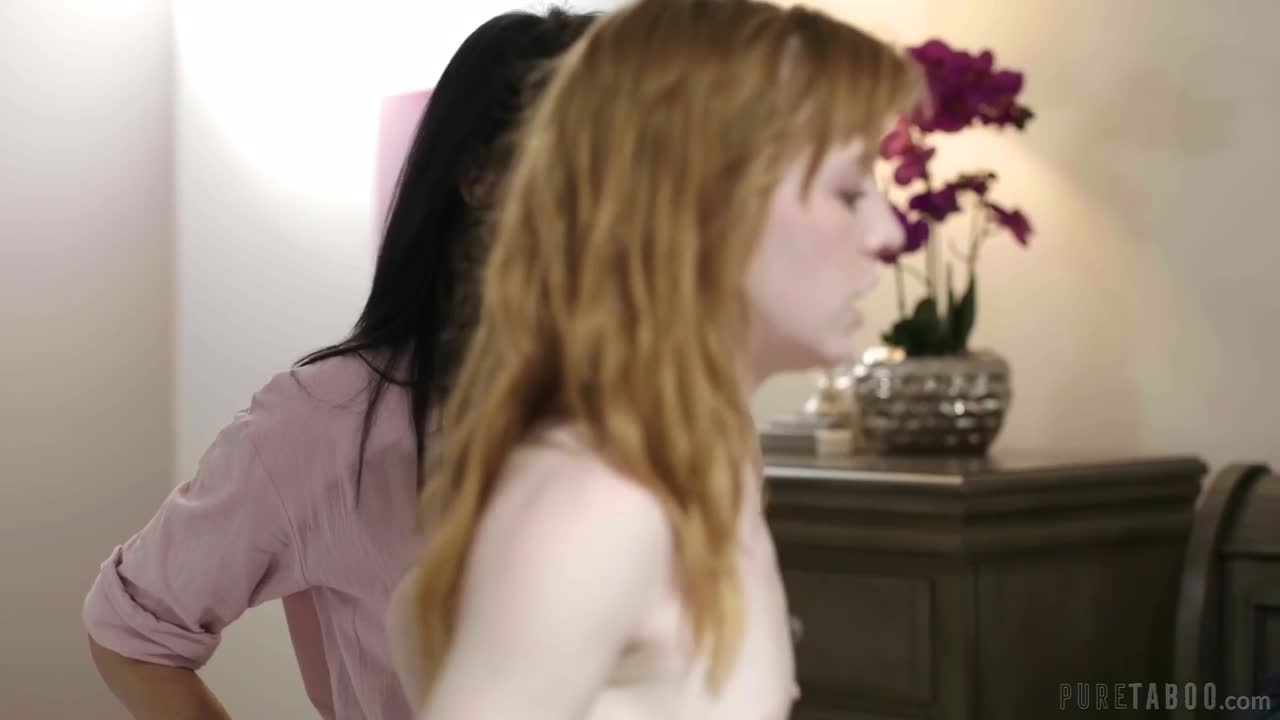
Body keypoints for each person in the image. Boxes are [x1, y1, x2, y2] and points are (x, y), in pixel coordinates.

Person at [384, 0, 921, 717]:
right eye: (850, 190)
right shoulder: (603, 504)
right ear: (704, 204)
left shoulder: (711, 467)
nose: (889, 231)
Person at [81, 8, 596, 720]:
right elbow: (132, 633)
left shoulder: (663, 413)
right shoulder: (329, 421)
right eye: (592, 160)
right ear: (479, 175)